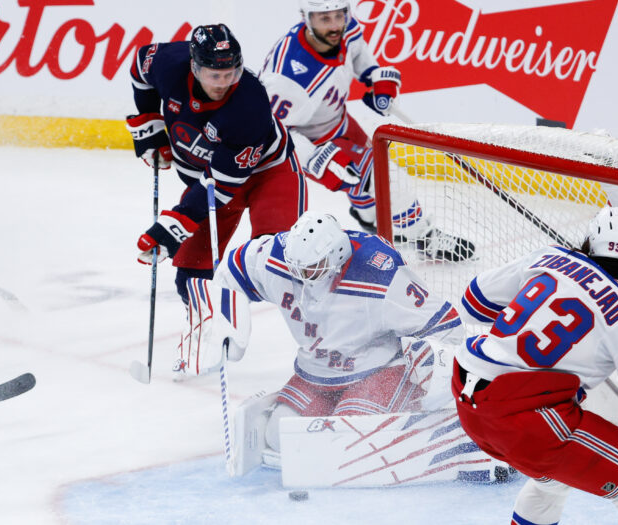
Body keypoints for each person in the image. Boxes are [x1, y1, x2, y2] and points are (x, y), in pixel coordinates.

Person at [451, 207, 618, 524]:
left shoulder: (549, 257)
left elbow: (473, 302)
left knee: (554, 476)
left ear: (588, 242)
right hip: (528, 421)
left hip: (467, 397)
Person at [177, 211, 465, 451]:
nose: (300, 275)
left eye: (311, 268)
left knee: (343, 442)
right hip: (315, 372)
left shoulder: (379, 274)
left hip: (379, 370)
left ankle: (413, 422)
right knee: (278, 438)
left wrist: (433, 377)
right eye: (296, 267)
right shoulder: (279, 256)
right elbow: (231, 271)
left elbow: (446, 325)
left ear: (336, 255)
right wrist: (224, 322)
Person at [258, 1, 474, 262]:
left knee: (365, 184)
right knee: (388, 177)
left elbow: (358, 53)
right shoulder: (287, 78)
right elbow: (272, 132)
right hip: (311, 142)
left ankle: (373, 222)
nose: (336, 25)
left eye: (340, 15)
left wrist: (374, 76)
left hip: (339, 121)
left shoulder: (342, 30)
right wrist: (317, 160)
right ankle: (423, 237)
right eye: (325, 19)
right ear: (306, 17)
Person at [126, 23, 307, 303]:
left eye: (230, 74)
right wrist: (148, 123)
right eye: (214, 75)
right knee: (191, 277)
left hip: (268, 174)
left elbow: (222, 184)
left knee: (277, 264)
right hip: (205, 180)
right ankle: (210, 337)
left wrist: (174, 225)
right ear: (195, 68)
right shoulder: (169, 64)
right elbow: (141, 64)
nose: (223, 83)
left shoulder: (248, 104)